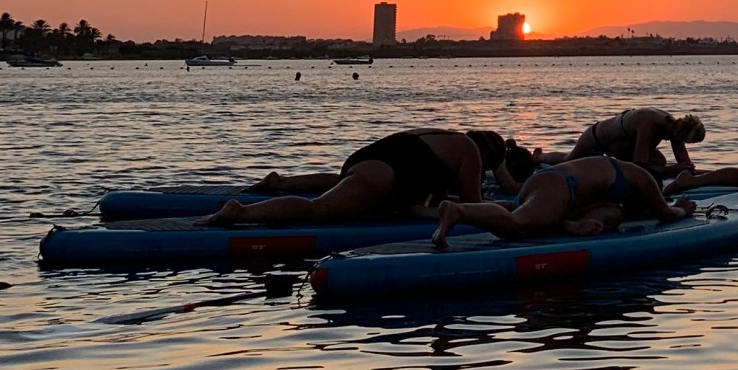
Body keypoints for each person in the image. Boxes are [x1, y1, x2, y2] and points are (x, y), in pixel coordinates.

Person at [200, 130, 534, 227]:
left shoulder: (442, 138)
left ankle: (281, 183)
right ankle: (240, 212)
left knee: (346, 184)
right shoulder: (470, 153)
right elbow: (473, 205)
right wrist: (503, 207)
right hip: (385, 175)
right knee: (319, 212)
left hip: (367, 161)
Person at [432, 155, 694, 247]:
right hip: (558, 187)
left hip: (550, 186)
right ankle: (458, 212)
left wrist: (571, 225)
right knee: (517, 226)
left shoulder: (613, 196)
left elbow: (608, 215)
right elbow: (665, 214)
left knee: (612, 215)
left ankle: (561, 223)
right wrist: (681, 209)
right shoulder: (642, 178)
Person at [565, 106, 706, 181]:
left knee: (659, 161)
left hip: (622, 149)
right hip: (596, 139)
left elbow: (686, 166)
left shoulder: (674, 127)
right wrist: (673, 170)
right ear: (680, 133)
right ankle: (542, 158)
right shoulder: (649, 124)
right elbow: (639, 167)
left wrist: (713, 175)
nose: (680, 144)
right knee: (568, 162)